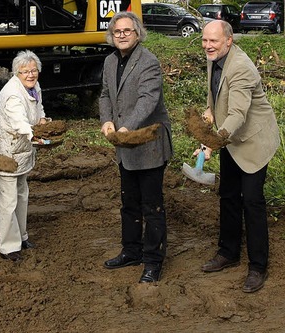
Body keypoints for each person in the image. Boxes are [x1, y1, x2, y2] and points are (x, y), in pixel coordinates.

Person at [198, 20, 280, 293]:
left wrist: (211, 143)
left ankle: (258, 267)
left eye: (214, 41)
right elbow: (216, 93)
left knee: (252, 201)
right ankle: (228, 252)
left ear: (229, 41)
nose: (208, 46)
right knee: (228, 195)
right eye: (205, 40)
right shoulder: (214, 57)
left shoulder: (242, 68)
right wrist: (209, 110)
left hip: (253, 141)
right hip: (230, 139)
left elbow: (237, 115)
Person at [99, 12, 173, 283]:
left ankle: (153, 261)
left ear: (137, 33)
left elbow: (147, 100)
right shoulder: (109, 61)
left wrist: (126, 126)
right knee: (128, 202)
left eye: (127, 31)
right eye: (117, 31)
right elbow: (106, 94)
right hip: (124, 144)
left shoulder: (149, 62)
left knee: (151, 206)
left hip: (148, 142)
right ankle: (132, 251)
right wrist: (107, 120)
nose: (122, 35)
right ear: (112, 34)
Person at [0, 50, 48, 262]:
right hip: (6, 153)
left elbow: (38, 108)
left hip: (22, 151)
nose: (30, 75)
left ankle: (21, 237)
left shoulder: (33, 86)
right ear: (16, 73)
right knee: (8, 200)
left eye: (34, 70)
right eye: (25, 72)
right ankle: (9, 247)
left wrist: (43, 122)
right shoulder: (12, 94)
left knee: (22, 195)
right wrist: (34, 134)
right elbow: (19, 121)